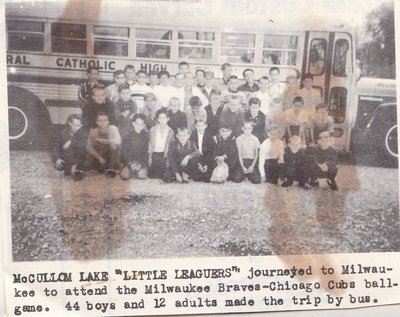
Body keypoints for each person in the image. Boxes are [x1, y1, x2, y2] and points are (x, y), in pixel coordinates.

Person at [86, 112, 121, 178]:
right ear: (96, 122)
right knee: (88, 161)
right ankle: (100, 167)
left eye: (105, 120)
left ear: (108, 122)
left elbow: (118, 141)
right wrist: (99, 157)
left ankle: (111, 169)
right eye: (100, 120)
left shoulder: (113, 128)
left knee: (113, 145)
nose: (102, 123)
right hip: (99, 155)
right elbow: (88, 147)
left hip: (110, 155)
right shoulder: (93, 131)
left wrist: (104, 141)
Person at [120, 114, 149, 180]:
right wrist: (130, 163)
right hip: (130, 161)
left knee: (142, 175)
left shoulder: (146, 136)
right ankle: (127, 169)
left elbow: (146, 152)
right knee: (125, 176)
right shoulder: (127, 135)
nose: (139, 126)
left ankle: (137, 171)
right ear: (133, 123)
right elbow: (124, 152)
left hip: (140, 161)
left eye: (141, 124)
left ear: (144, 125)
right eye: (137, 124)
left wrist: (141, 164)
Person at [148, 108, 174, 180]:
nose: (162, 120)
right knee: (151, 175)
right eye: (160, 118)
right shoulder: (153, 129)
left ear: (168, 119)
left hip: (164, 154)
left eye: (164, 118)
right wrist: (150, 156)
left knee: (164, 174)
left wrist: (168, 158)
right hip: (155, 153)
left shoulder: (170, 131)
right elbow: (150, 143)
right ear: (157, 119)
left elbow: (171, 146)